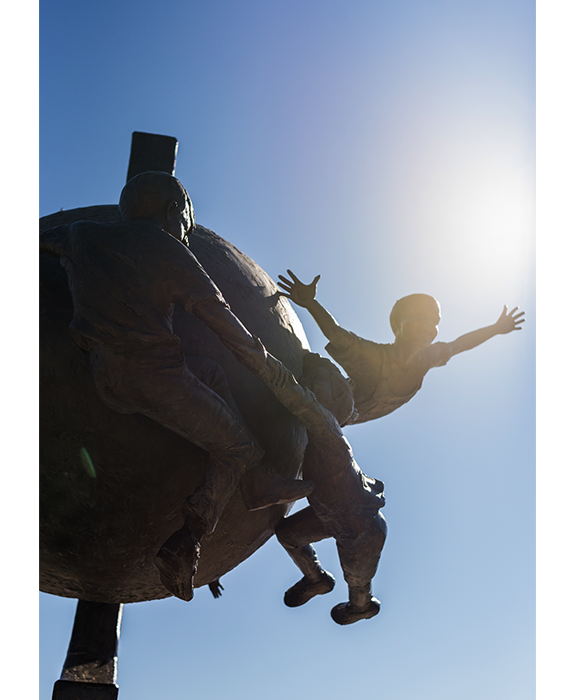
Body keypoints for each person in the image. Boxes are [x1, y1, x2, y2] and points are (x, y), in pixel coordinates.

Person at [39, 171, 313, 602]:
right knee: (240, 448)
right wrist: (266, 365)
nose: (187, 232)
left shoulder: (82, 234)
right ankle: (187, 539)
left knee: (210, 374)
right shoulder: (172, 253)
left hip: (106, 370)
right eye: (186, 221)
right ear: (172, 211)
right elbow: (224, 322)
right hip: (153, 379)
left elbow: (45, 240)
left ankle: (250, 477)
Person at [277, 270, 525, 425]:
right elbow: (336, 334)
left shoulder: (427, 358)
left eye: (435, 320)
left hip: (337, 422)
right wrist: (310, 303)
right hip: (322, 403)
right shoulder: (374, 357)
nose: (429, 325)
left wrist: (495, 328)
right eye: (420, 316)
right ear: (398, 325)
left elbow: (461, 344)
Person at [254, 347, 387, 625]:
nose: (306, 388)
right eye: (306, 383)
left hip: (362, 528)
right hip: (331, 515)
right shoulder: (319, 435)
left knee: (357, 581)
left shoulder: (328, 431)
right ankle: (316, 579)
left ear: (337, 396)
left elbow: (300, 399)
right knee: (288, 535)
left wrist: (258, 358)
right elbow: (317, 485)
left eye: (314, 384)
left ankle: (361, 607)